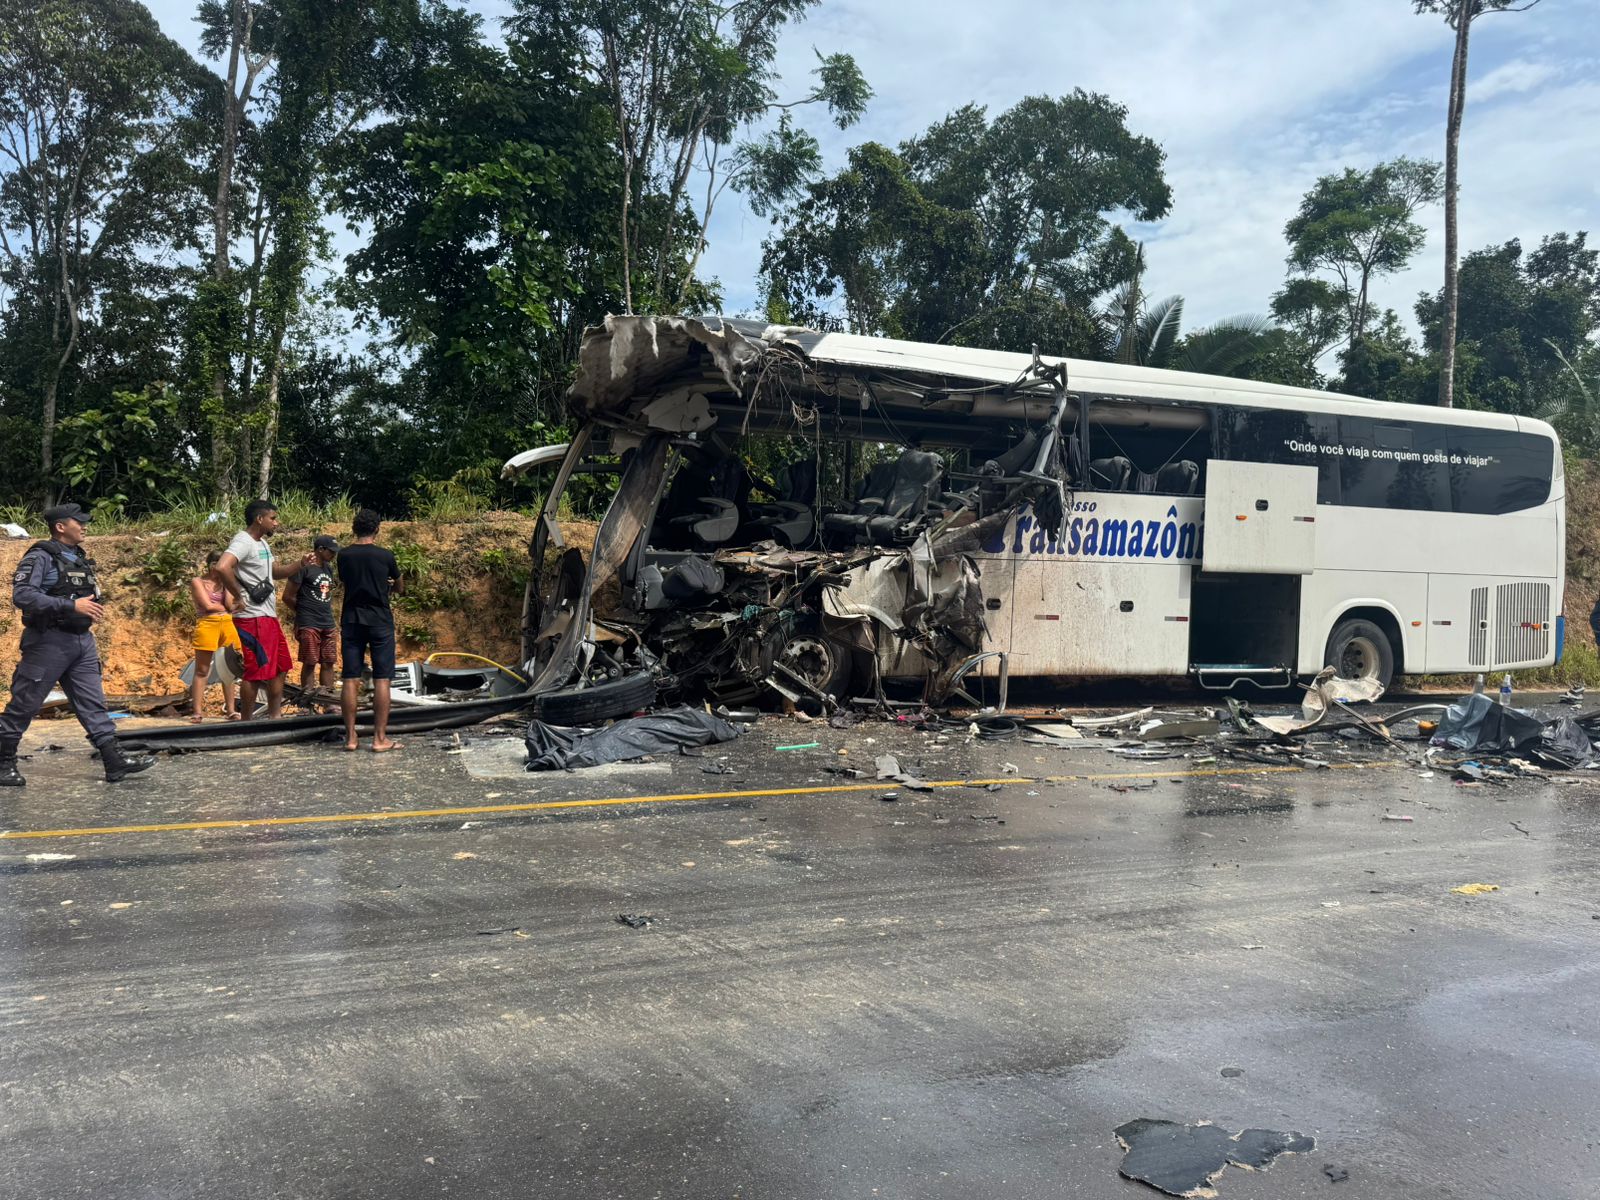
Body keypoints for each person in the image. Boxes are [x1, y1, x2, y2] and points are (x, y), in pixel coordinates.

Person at [1, 503, 155, 786]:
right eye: (79, 522)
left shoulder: (78, 557)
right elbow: (23, 595)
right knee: (26, 703)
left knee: (92, 702)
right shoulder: (40, 556)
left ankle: (114, 760)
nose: (84, 526)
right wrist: (70, 605)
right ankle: (3, 763)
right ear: (61, 527)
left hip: (81, 641)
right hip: (48, 641)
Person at [216, 499, 314, 720]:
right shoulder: (243, 541)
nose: (276, 523)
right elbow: (222, 566)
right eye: (273, 518)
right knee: (256, 670)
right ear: (259, 519)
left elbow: (274, 573)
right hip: (252, 617)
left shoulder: (262, 544)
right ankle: (247, 722)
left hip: (267, 615)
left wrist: (300, 564)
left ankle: (274, 716)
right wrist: (238, 594)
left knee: (280, 666)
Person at [337, 509, 403, 752]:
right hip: (379, 620)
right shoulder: (385, 555)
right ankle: (379, 739)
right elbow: (399, 585)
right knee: (382, 678)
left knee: (350, 677)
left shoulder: (344, 555)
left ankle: (351, 738)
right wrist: (389, 586)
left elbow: (346, 580)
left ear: (354, 529)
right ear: (377, 529)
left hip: (352, 619)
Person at [188, 550, 240, 723]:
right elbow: (207, 606)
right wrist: (227, 608)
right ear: (211, 566)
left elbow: (229, 605)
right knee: (202, 670)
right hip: (208, 624)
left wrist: (227, 581)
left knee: (229, 669)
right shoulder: (198, 581)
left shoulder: (225, 582)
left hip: (227, 624)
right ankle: (197, 711)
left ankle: (231, 710)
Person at [284, 534, 339, 691]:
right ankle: (308, 703)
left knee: (328, 661)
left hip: (327, 622)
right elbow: (287, 596)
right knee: (310, 661)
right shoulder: (303, 567)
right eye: (331, 551)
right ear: (320, 549)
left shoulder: (328, 568)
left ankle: (328, 703)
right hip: (308, 623)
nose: (334, 555)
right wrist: (303, 612)